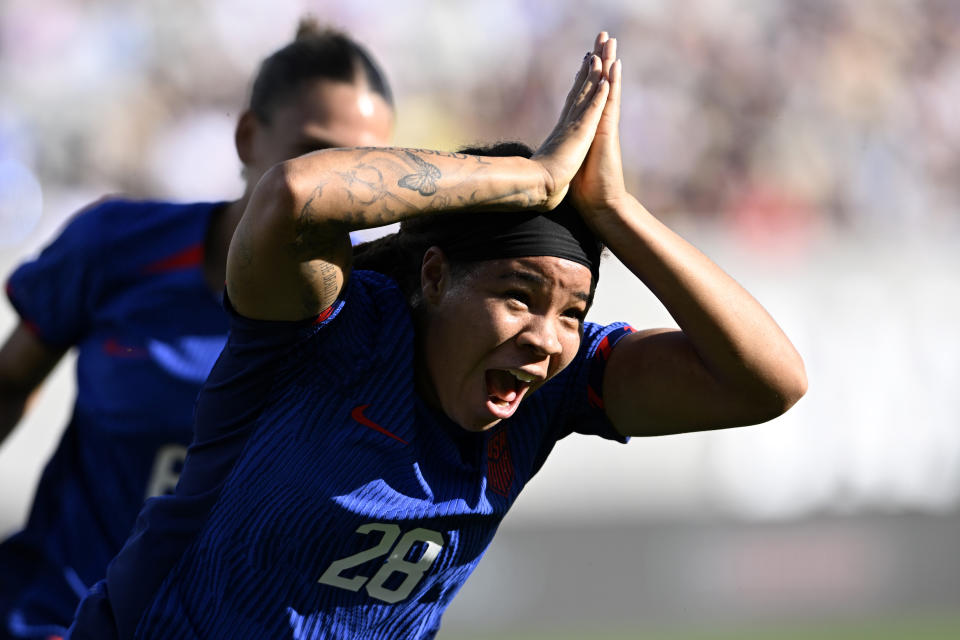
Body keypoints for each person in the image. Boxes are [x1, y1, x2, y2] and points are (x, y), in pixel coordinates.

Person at [68, 32, 806, 640]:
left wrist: (615, 210)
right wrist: (536, 178)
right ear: (431, 276)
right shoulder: (329, 331)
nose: (547, 339)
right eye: (518, 297)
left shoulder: (556, 394)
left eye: (572, 313)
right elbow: (292, 195)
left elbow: (771, 382)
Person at [0, 20, 394, 640]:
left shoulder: (381, 317)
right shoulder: (117, 247)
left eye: (361, 171)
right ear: (247, 137)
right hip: (56, 616)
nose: (332, 190)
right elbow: (10, 379)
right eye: (313, 155)